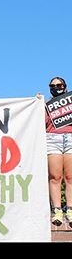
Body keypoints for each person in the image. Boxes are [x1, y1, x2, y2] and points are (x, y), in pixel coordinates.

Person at [44, 77, 72, 226]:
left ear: (65, 86)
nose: (56, 87)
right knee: (55, 176)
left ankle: (70, 209)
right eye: (52, 86)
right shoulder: (46, 105)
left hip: (71, 138)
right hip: (52, 138)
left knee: (70, 176)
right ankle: (57, 210)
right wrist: (37, 104)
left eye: (59, 85)